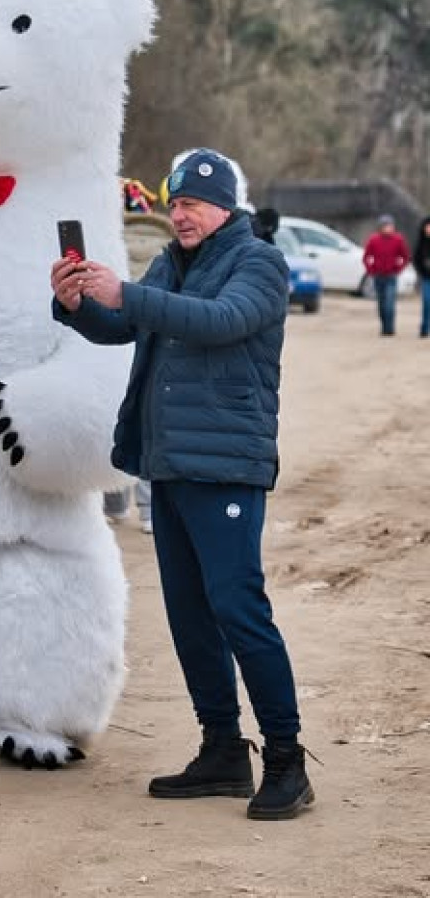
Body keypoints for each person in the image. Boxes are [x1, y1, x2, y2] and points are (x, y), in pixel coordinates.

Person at [51, 147, 313, 821]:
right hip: (168, 461)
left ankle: (286, 759)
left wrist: (128, 292)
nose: (181, 214)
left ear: (224, 204)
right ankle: (222, 748)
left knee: (238, 608)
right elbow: (125, 325)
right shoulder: (173, 261)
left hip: (226, 463)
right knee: (191, 616)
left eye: (192, 204)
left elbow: (219, 322)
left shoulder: (258, 261)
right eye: (175, 204)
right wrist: (78, 302)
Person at [362, 214, 410, 336]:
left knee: (389, 302)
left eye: (390, 226)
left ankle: (390, 328)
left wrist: (398, 268)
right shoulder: (374, 239)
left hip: (391, 275)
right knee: (381, 304)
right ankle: (384, 327)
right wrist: (371, 269)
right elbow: (366, 257)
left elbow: (405, 256)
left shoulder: (398, 239)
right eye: (386, 226)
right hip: (378, 275)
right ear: (380, 227)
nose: (388, 228)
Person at [412, 216, 430, 338]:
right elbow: (416, 260)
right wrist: (421, 271)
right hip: (426, 277)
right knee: (427, 301)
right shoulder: (420, 243)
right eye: (427, 227)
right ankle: (424, 327)